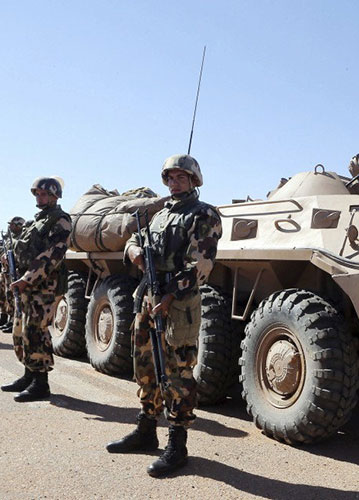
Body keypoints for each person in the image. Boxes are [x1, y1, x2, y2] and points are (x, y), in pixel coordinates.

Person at [105, 154, 222, 478]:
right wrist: (133, 251)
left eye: (181, 177)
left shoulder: (203, 214)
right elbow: (135, 238)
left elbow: (201, 264)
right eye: (170, 177)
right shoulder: (159, 215)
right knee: (145, 366)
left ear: (194, 180)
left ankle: (177, 445)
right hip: (148, 297)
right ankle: (146, 429)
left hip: (178, 303)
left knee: (177, 373)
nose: (174, 183)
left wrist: (169, 295)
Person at [1, 179, 70, 402]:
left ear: (55, 196)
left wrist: (27, 278)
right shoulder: (36, 221)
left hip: (44, 286)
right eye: (37, 194)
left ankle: (41, 384)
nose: (39, 198)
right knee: (21, 331)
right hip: (27, 286)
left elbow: (54, 255)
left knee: (36, 331)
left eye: (44, 194)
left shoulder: (60, 220)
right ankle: (29, 375)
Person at [0, 217, 26, 333]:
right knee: (8, 297)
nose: (10, 227)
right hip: (7, 272)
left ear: (18, 225)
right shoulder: (11, 239)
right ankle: (10, 320)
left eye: (12, 224)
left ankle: (15, 323)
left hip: (17, 273)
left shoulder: (23, 238)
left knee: (16, 299)